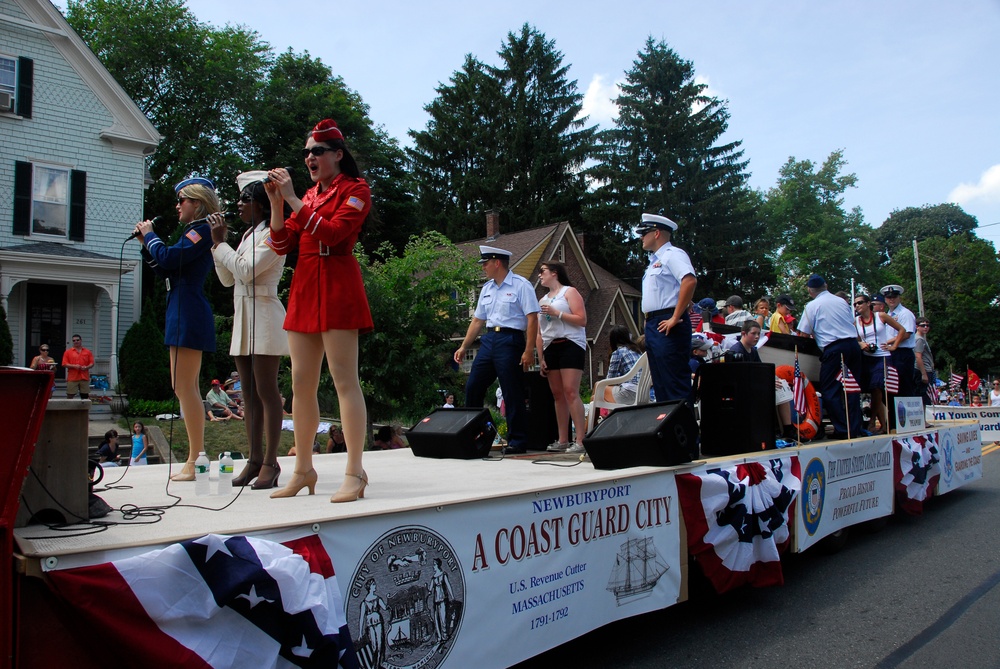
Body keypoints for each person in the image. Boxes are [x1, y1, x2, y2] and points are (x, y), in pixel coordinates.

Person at [264, 119, 372, 502]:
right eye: (307, 152)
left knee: (345, 381)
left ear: (337, 155)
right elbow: (280, 244)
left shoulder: (356, 189)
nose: (310, 157)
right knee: (301, 385)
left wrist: (292, 199)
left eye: (317, 151)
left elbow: (333, 233)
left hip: (338, 283)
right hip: (307, 285)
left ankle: (355, 471)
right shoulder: (306, 196)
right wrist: (277, 203)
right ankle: (303, 469)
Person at [134, 177, 220, 481]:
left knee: (185, 387)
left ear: (196, 202)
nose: (177, 206)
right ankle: (196, 458)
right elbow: (164, 268)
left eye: (182, 200)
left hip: (189, 311)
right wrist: (148, 245)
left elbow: (171, 257)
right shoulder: (191, 231)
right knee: (181, 386)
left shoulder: (202, 230)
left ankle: (196, 457)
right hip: (180, 309)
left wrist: (151, 236)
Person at [212, 170, 290, 489]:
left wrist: (219, 244)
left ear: (261, 203)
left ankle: (271, 462)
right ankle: (254, 459)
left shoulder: (274, 232)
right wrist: (220, 249)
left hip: (264, 315)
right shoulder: (246, 237)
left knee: (266, 392)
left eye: (244, 199)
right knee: (247, 393)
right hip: (245, 316)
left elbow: (245, 270)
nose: (239, 205)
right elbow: (227, 279)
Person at [453, 245, 539, 454]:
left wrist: (529, 350)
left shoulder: (521, 285)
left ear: (497, 263)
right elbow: (477, 320)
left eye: (485, 263)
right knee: (473, 386)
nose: (483, 268)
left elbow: (532, 318)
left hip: (510, 339)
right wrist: (464, 345)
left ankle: (517, 441)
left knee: (511, 390)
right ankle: (473, 435)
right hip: (489, 339)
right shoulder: (487, 288)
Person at [796, 274, 865, 440]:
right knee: (852, 389)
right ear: (826, 285)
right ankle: (855, 428)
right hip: (852, 346)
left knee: (829, 390)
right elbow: (851, 323)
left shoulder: (811, 306)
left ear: (810, 290)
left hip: (834, 348)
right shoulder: (841, 301)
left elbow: (803, 333)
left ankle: (842, 428)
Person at [638, 213, 697, 403]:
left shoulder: (672, 254)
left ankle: (686, 432)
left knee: (674, 385)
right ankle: (670, 431)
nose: (641, 237)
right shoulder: (654, 261)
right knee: (661, 385)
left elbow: (689, 280)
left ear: (656, 233)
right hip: (655, 323)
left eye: (644, 232)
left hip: (668, 322)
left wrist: (675, 315)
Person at [536, 261, 588, 454]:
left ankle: (581, 440)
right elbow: (540, 333)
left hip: (570, 343)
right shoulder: (542, 300)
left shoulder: (569, 292)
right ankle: (562, 439)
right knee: (557, 394)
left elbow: (581, 319)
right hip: (551, 346)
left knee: (570, 391)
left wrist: (558, 313)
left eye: (543, 271)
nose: (540, 275)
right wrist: (540, 357)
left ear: (554, 273)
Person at [854, 294, 907, 434]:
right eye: (855, 304)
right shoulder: (856, 321)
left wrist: (894, 346)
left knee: (877, 387)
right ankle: (883, 425)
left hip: (882, 356)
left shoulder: (881, 316)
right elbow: (855, 338)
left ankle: (872, 421)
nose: (857, 306)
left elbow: (902, 330)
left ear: (868, 303)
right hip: (866, 358)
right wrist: (861, 344)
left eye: (860, 303)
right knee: (871, 390)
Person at [880, 284, 917, 399]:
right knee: (892, 389)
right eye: (889, 297)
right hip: (891, 353)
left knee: (903, 387)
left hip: (902, 353)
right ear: (885, 299)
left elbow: (906, 334)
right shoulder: (889, 314)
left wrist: (887, 342)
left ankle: (905, 416)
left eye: (894, 297)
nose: (891, 300)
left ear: (899, 298)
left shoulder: (905, 314)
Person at [604, 325, 643, 406]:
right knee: (597, 397)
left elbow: (610, 380)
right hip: (644, 393)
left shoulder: (618, 352)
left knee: (598, 387)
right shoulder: (638, 351)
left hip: (630, 393)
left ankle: (594, 418)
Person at [359, 579, 388, 668]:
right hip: (370, 625)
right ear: (370, 587)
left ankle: (378, 665)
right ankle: (373, 665)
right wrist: (360, 632)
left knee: (379, 645)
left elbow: (385, 608)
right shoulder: (364, 603)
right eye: (373, 585)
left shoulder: (377, 599)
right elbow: (361, 618)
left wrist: (390, 599)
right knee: (374, 647)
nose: (375, 586)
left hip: (378, 622)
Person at [61, 334, 94, 399]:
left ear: (81, 340)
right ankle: (69, 408)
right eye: (74, 340)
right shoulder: (68, 352)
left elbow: (92, 363)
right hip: (73, 377)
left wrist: (87, 367)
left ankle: (84, 408)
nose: (76, 341)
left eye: (77, 340)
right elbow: (64, 364)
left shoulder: (87, 352)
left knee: (85, 395)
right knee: (70, 395)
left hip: (84, 376)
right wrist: (74, 366)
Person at [913, 318, 935, 407]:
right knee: (924, 396)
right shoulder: (919, 339)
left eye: (927, 325)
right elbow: (918, 356)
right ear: (917, 327)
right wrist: (924, 374)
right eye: (923, 325)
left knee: (922, 395)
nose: (925, 327)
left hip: (924, 369)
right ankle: (924, 418)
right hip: (922, 370)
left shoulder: (920, 338)